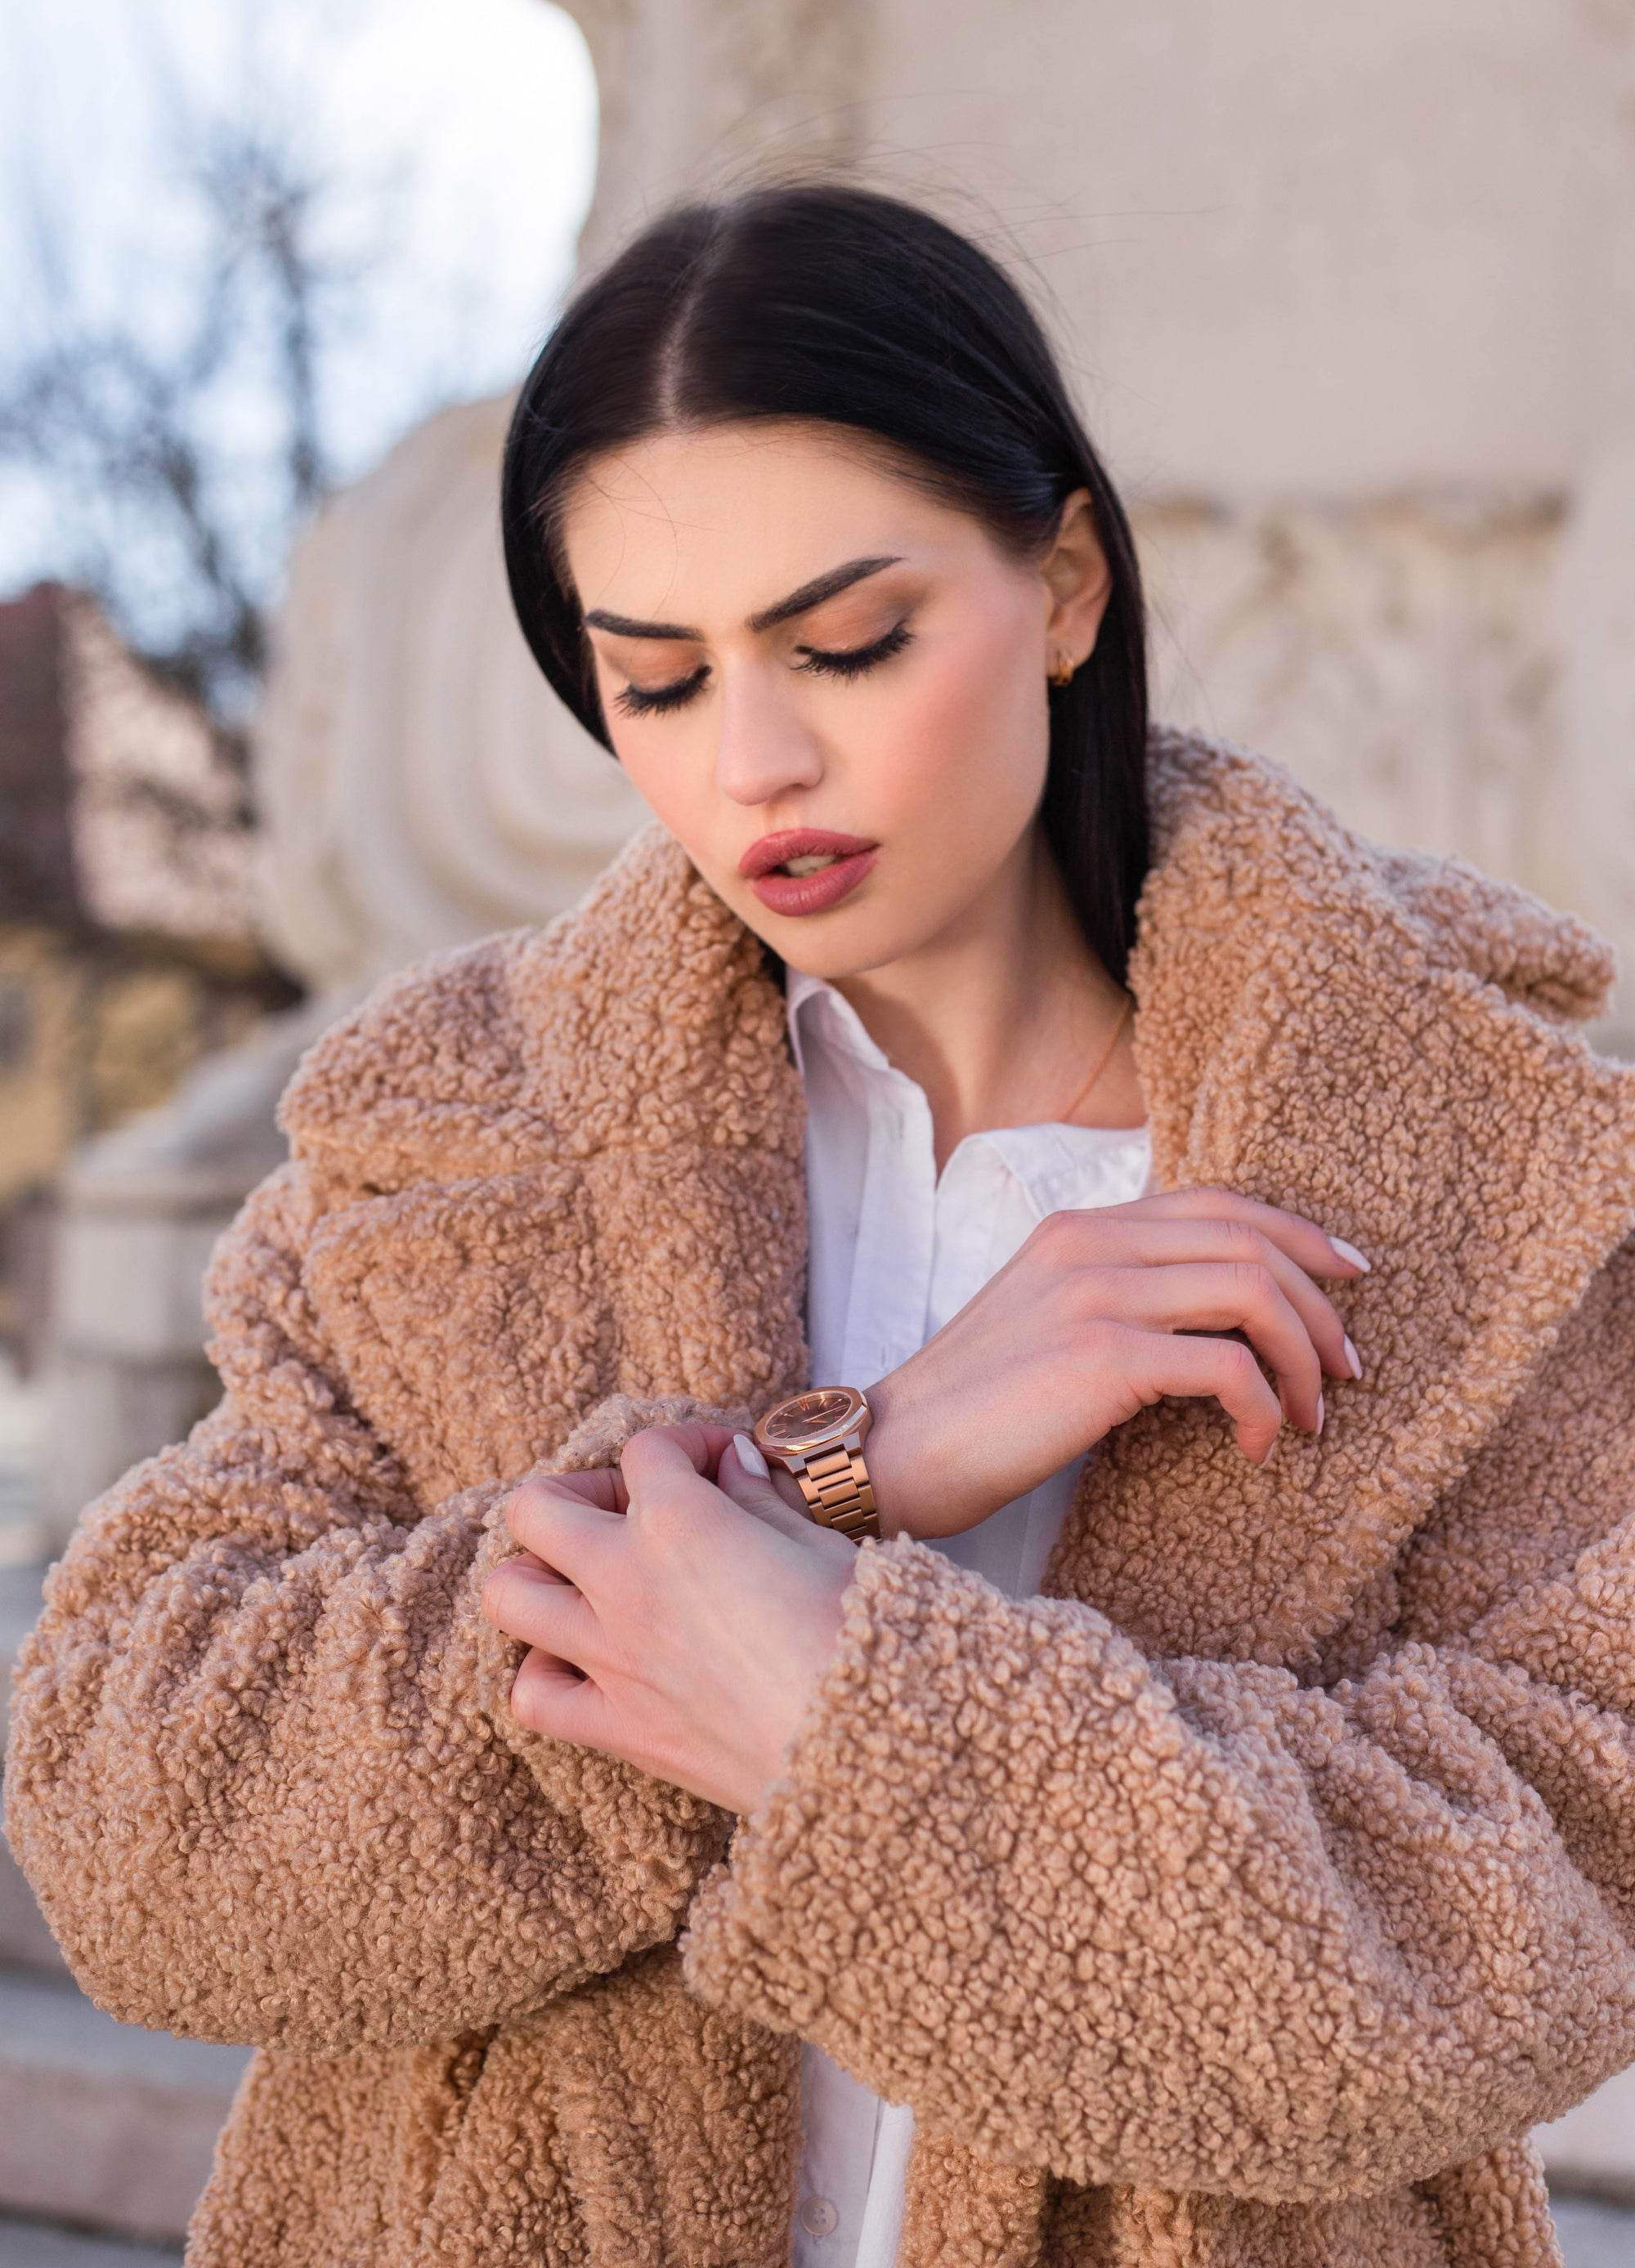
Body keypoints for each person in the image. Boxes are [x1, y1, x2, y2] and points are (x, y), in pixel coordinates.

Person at [9, 185, 1635, 2268]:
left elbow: (1502, 1946)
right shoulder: (449, 1142)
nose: (757, 762)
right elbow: (140, 1833)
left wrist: (829, 1726)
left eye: (848, 644)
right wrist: (845, 1466)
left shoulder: (1484, 1167)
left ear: (1064, 584)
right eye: (658, 681)